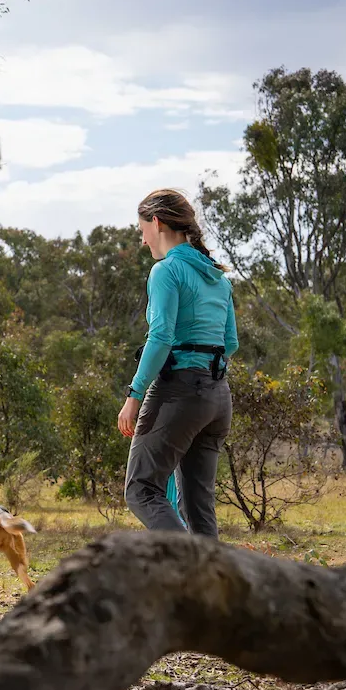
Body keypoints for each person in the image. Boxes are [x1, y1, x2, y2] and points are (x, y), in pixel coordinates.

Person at [117, 188, 237, 537]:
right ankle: (210, 587)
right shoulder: (218, 277)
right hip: (218, 398)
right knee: (198, 506)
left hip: (179, 392)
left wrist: (134, 395)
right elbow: (230, 343)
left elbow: (161, 338)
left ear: (156, 222)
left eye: (142, 230)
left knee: (141, 489)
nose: (142, 241)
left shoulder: (166, 271)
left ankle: (184, 566)